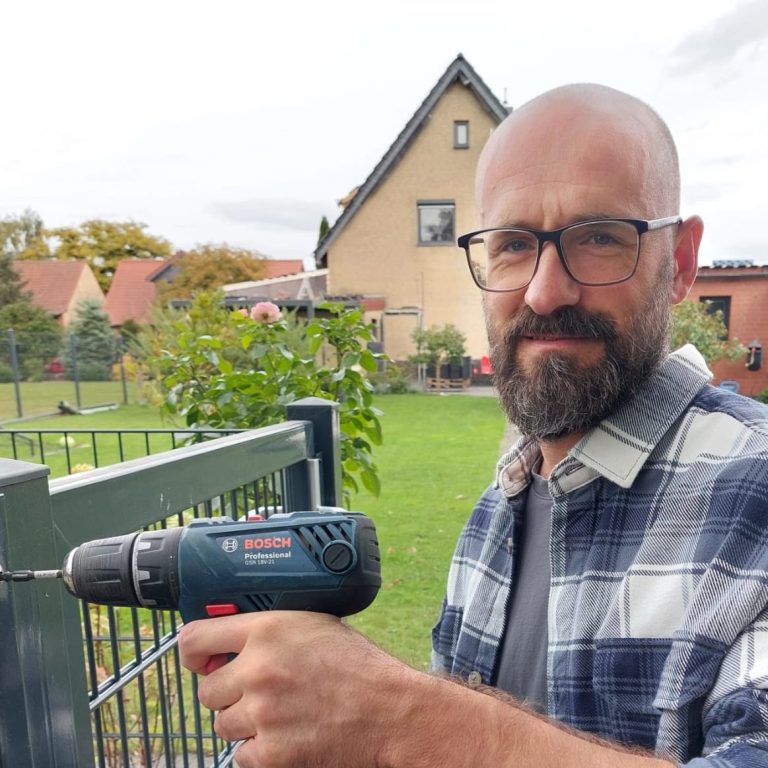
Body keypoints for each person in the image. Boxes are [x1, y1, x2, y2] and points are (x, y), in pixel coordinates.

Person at [178, 84, 768, 767]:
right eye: (514, 244)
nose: (545, 291)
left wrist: (405, 719)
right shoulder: (501, 504)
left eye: (600, 238)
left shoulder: (755, 490)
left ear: (682, 262)